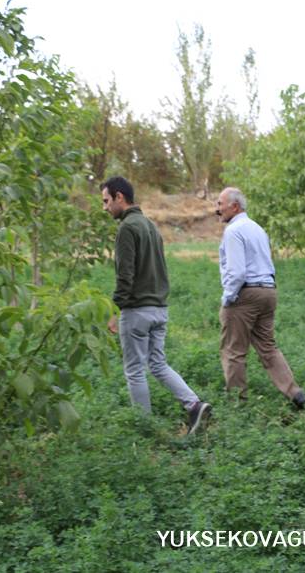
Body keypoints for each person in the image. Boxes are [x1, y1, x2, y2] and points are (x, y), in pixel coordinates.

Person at [101, 176, 211, 434]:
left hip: (136, 311)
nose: (105, 207)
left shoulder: (127, 228)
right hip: (160, 309)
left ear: (120, 197)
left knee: (135, 371)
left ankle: (145, 428)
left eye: (106, 201)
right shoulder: (151, 226)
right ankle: (194, 405)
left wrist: (113, 311)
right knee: (158, 364)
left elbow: (124, 276)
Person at [215, 187, 305, 408]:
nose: (217, 209)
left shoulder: (233, 231)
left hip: (245, 294)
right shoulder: (257, 228)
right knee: (268, 347)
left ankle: (237, 405)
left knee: (234, 350)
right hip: (268, 291)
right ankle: (294, 393)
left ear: (235, 206)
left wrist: (228, 298)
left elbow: (237, 272)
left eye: (220, 204)